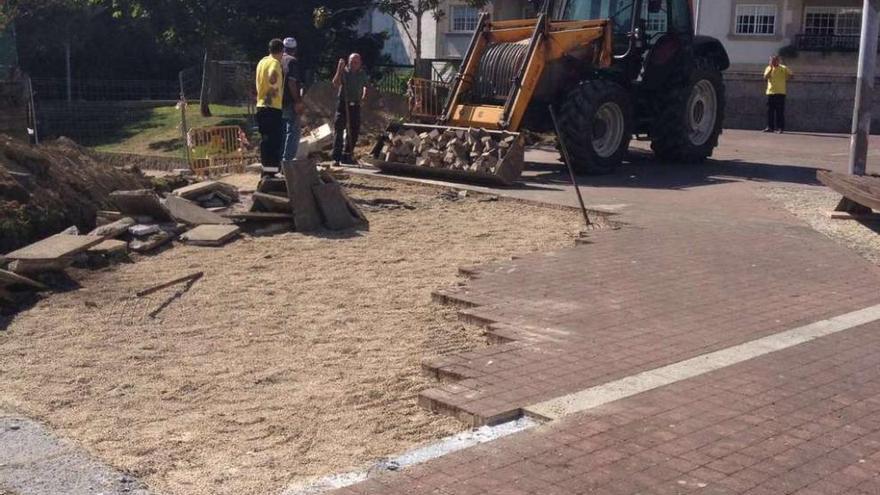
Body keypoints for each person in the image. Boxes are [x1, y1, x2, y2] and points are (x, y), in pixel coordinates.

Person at [332, 53, 369, 165]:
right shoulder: (344, 72)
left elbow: (366, 86)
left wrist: (363, 96)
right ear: (349, 62)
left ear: (360, 64)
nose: (354, 64)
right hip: (343, 104)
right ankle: (336, 158)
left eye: (356, 62)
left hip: (355, 105)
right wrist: (339, 69)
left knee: (354, 130)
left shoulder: (362, 74)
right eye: (352, 62)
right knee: (339, 130)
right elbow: (335, 83)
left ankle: (347, 155)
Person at [255, 38, 285, 177]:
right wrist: (272, 92)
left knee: (266, 142)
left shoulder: (262, 62)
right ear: (282, 51)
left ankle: (266, 172)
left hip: (260, 106)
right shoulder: (275, 63)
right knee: (274, 142)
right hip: (271, 107)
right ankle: (272, 173)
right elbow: (273, 79)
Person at [281, 37, 304, 162]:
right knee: (293, 131)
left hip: (276, 102)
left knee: (282, 131)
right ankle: (287, 161)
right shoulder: (292, 61)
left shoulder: (276, 60)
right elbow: (292, 83)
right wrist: (297, 101)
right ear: (295, 50)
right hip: (289, 101)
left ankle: (279, 161)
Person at [763, 55, 793, 134]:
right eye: (771, 60)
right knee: (770, 111)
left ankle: (780, 128)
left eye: (775, 60)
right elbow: (765, 77)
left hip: (780, 92)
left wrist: (787, 77)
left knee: (780, 111)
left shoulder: (783, 68)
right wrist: (771, 69)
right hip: (770, 92)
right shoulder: (768, 68)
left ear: (778, 61)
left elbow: (791, 75)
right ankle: (770, 127)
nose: (773, 62)